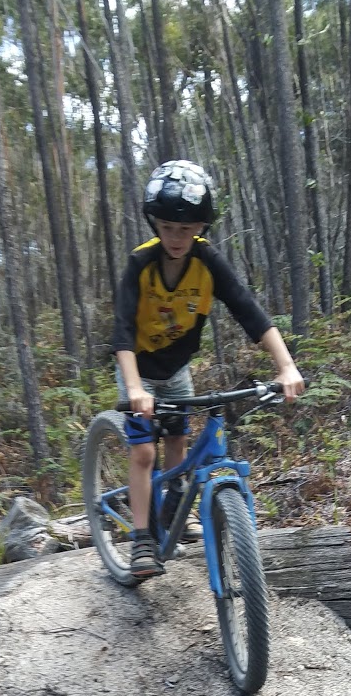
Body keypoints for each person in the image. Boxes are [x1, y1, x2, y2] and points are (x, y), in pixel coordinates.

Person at [113, 160, 304, 579]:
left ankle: (175, 508)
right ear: (155, 225)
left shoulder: (208, 262)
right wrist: (134, 389)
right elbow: (122, 333)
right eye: (167, 228)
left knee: (179, 442)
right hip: (139, 371)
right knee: (145, 452)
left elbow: (248, 311)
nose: (177, 238)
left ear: (200, 226)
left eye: (187, 229)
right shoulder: (140, 265)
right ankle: (143, 539)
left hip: (177, 369)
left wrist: (286, 366)